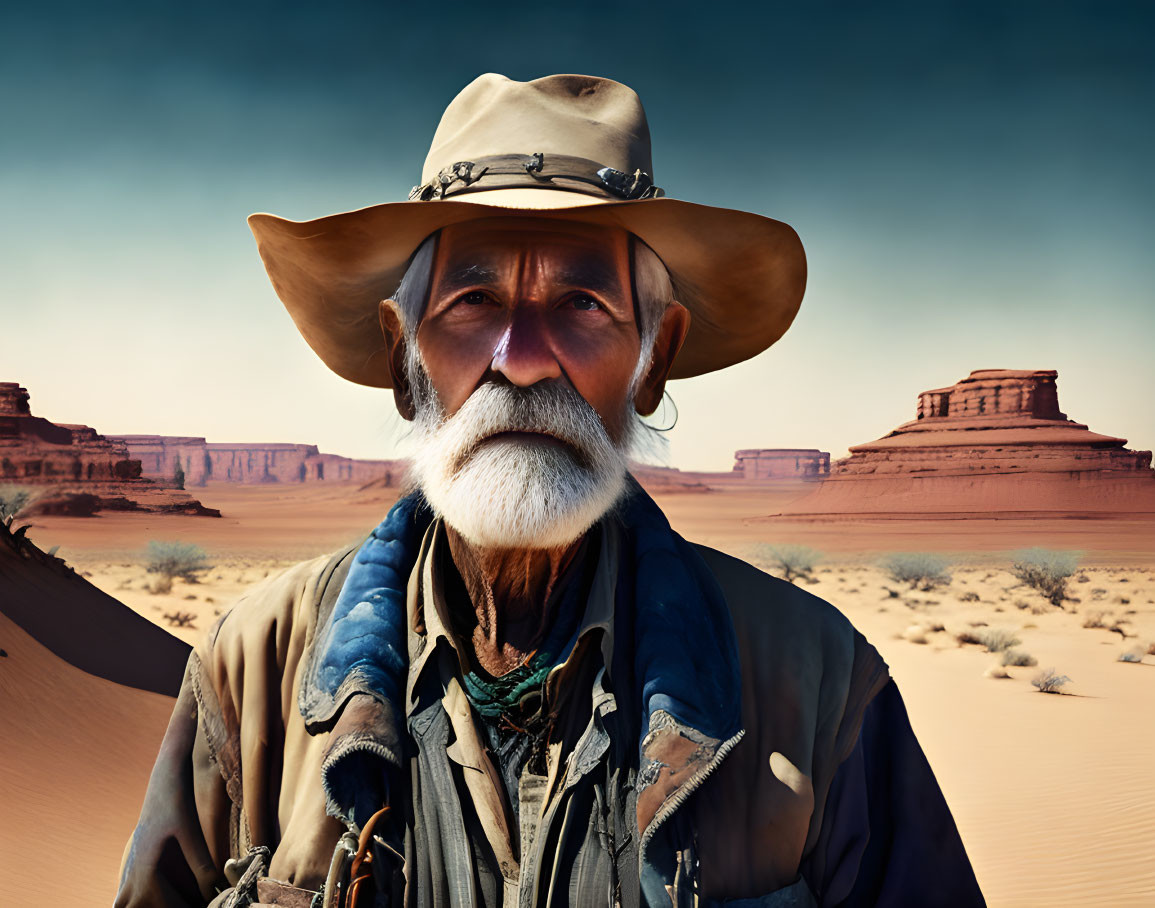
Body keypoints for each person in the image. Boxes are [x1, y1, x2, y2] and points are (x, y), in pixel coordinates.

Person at [116, 73, 985, 908]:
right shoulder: (252, 668)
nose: (522, 358)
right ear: (401, 360)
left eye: (581, 303)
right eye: (472, 299)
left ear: (655, 358)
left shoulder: (818, 686)